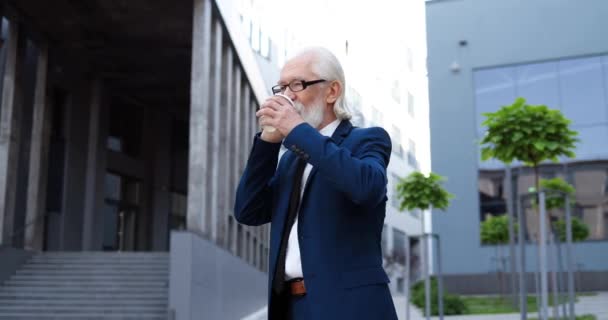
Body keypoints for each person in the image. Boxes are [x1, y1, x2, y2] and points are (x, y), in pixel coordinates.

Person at [234, 47, 398, 320]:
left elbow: (367, 187)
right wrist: (267, 144)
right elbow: (248, 211)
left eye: (297, 84)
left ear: (332, 92)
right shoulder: (291, 160)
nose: (287, 96)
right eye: (282, 87)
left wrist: (297, 130)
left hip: (351, 306)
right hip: (292, 306)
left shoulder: (368, 139)